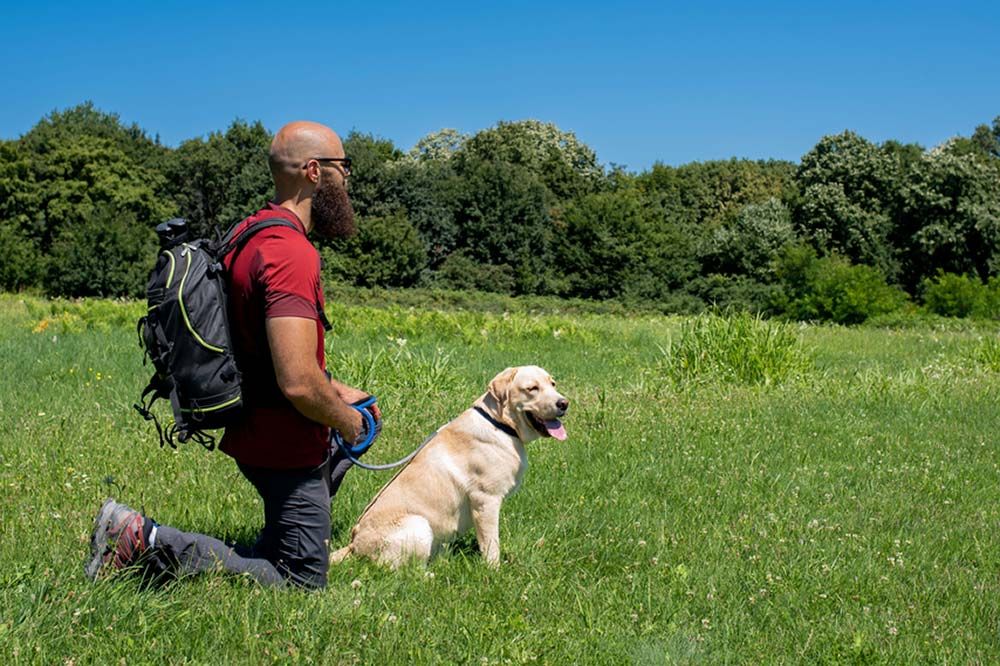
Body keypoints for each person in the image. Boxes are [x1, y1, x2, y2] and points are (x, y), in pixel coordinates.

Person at [85, 121, 378, 589]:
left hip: (254, 426)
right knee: (302, 584)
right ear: (314, 172)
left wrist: (340, 393)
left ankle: (284, 536)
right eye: (344, 168)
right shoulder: (290, 253)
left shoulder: (252, 232)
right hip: (284, 443)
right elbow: (299, 382)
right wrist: (346, 420)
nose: (348, 180)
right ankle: (140, 537)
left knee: (285, 544)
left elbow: (257, 345)